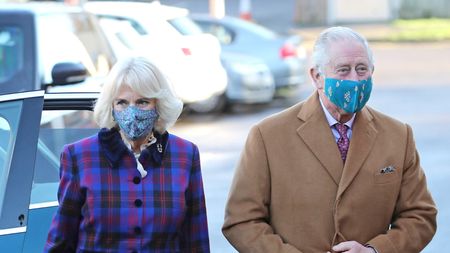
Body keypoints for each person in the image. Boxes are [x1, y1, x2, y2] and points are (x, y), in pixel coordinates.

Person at [222, 26, 437, 253]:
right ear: (317, 77)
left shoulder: (398, 135)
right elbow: (241, 221)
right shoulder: (268, 136)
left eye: (362, 69)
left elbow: (420, 216)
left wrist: (375, 251)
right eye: (343, 70)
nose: (354, 80)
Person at [44, 56, 210, 252]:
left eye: (142, 102)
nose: (132, 112)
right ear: (111, 107)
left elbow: (196, 243)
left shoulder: (185, 155)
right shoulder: (79, 156)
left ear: (159, 105)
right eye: (122, 102)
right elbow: (60, 242)